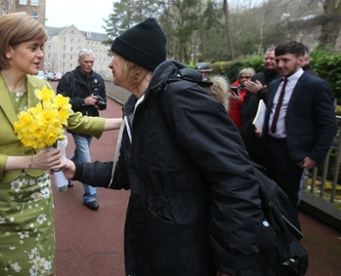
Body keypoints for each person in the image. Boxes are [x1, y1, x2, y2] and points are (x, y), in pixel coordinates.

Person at [63, 18, 267, 275]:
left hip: (183, 249)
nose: (110, 63)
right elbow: (127, 172)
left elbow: (235, 177)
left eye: (115, 56)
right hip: (149, 239)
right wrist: (76, 169)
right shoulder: (136, 105)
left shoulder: (180, 97)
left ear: (133, 62)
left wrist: (236, 265)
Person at [0, 12, 120, 275]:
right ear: (8, 50)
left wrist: (124, 123)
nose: (41, 54)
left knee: (38, 267)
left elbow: (75, 120)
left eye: (42, 47)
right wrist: (31, 161)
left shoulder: (41, 87)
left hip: (35, 196)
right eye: (33, 47)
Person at [260, 41, 337, 215]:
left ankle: (289, 239)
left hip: (293, 153)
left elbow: (328, 124)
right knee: (268, 196)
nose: (280, 65)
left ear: (301, 60)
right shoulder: (275, 84)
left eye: (285, 60)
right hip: (269, 149)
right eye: (278, 60)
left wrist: (315, 156)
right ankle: (269, 234)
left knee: (287, 202)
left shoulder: (315, 85)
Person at [56, 49, 107, 211]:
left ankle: (67, 169)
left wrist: (100, 103)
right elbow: (60, 101)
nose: (89, 65)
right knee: (85, 156)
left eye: (91, 62)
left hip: (91, 121)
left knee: (79, 153)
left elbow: (104, 101)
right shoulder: (69, 78)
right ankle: (90, 195)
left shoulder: (98, 79)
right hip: (76, 122)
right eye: (86, 62)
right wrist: (84, 101)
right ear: (79, 61)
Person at [241, 48, 280, 166]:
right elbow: (247, 100)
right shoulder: (258, 77)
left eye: (272, 58)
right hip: (250, 130)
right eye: (266, 58)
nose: (268, 61)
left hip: (267, 135)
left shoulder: (280, 81)